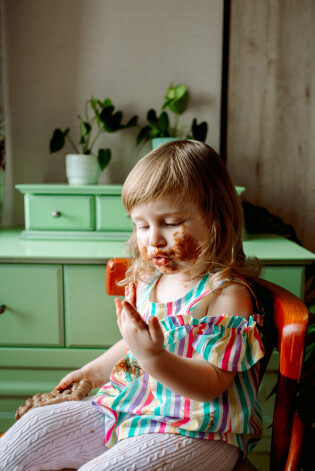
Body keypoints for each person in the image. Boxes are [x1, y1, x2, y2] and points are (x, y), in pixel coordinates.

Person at [0, 140, 265, 471]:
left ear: (214, 217)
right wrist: (92, 372)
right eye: (142, 225)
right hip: (133, 408)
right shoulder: (149, 282)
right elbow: (132, 345)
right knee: (31, 432)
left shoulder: (226, 295)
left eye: (170, 222)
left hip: (200, 432)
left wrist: (154, 357)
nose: (153, 239)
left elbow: (211, 384)